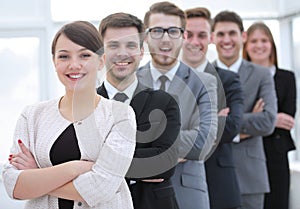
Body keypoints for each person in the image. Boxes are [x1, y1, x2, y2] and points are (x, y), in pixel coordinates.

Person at [2, 21, 136, 209]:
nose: (74, 65)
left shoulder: (120, 116)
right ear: (54, 62)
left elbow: (102, 188)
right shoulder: (32, 115)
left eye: (84, 55)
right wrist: (75, 168)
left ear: (101, 61)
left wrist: (37, 175)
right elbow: (12, 184)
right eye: (64, 56)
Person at [138, 2, 218, 209]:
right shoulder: (130, 82)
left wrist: (147, 142)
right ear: (146, 37)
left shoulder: (204, 82)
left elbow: (203, 143)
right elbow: (117, 140)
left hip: (188, 192)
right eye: (157, 31)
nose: (165, 39)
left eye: (173, 31)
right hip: (137, 192)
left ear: (183, 36)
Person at [96, 12, 181, 209]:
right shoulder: (85, 106)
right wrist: (142, 162)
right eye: (114, 45)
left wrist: (98, 160)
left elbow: (165, 163)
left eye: (131, 45)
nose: (122, 53)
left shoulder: (164, 102)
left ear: (142, 51)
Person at [212, 11, 277, 209]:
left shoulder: (262, 74)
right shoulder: (201, 75)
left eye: (232, 33)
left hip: (250, 175)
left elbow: (267, 121)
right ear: (213, 37)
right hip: (212, 173)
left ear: (243, 36)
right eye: (221, 34)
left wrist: (221, 123)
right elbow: (196, 123)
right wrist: (249, 121)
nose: (227, 40)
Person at [182, 7, 244, 209]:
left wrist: (185, 124)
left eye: (201, 35)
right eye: (188, 35)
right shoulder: (163, 80)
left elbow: (232, 126)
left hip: (219, 185)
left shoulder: (228, 80)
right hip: (176, 185)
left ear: (211, 38)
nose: (194, 42)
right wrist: (210, 119)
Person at [243, 22, 297, 209]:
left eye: (264, 40)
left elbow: (288, 119)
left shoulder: (286, 77)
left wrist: (257, 118)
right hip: (247, 151)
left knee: (278, 203)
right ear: (246, 46)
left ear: (272, 44)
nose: (259, 45)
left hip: (276, 152)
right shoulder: (238, 78)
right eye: (254, 41)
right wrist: (269, 119)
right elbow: (235, 118)